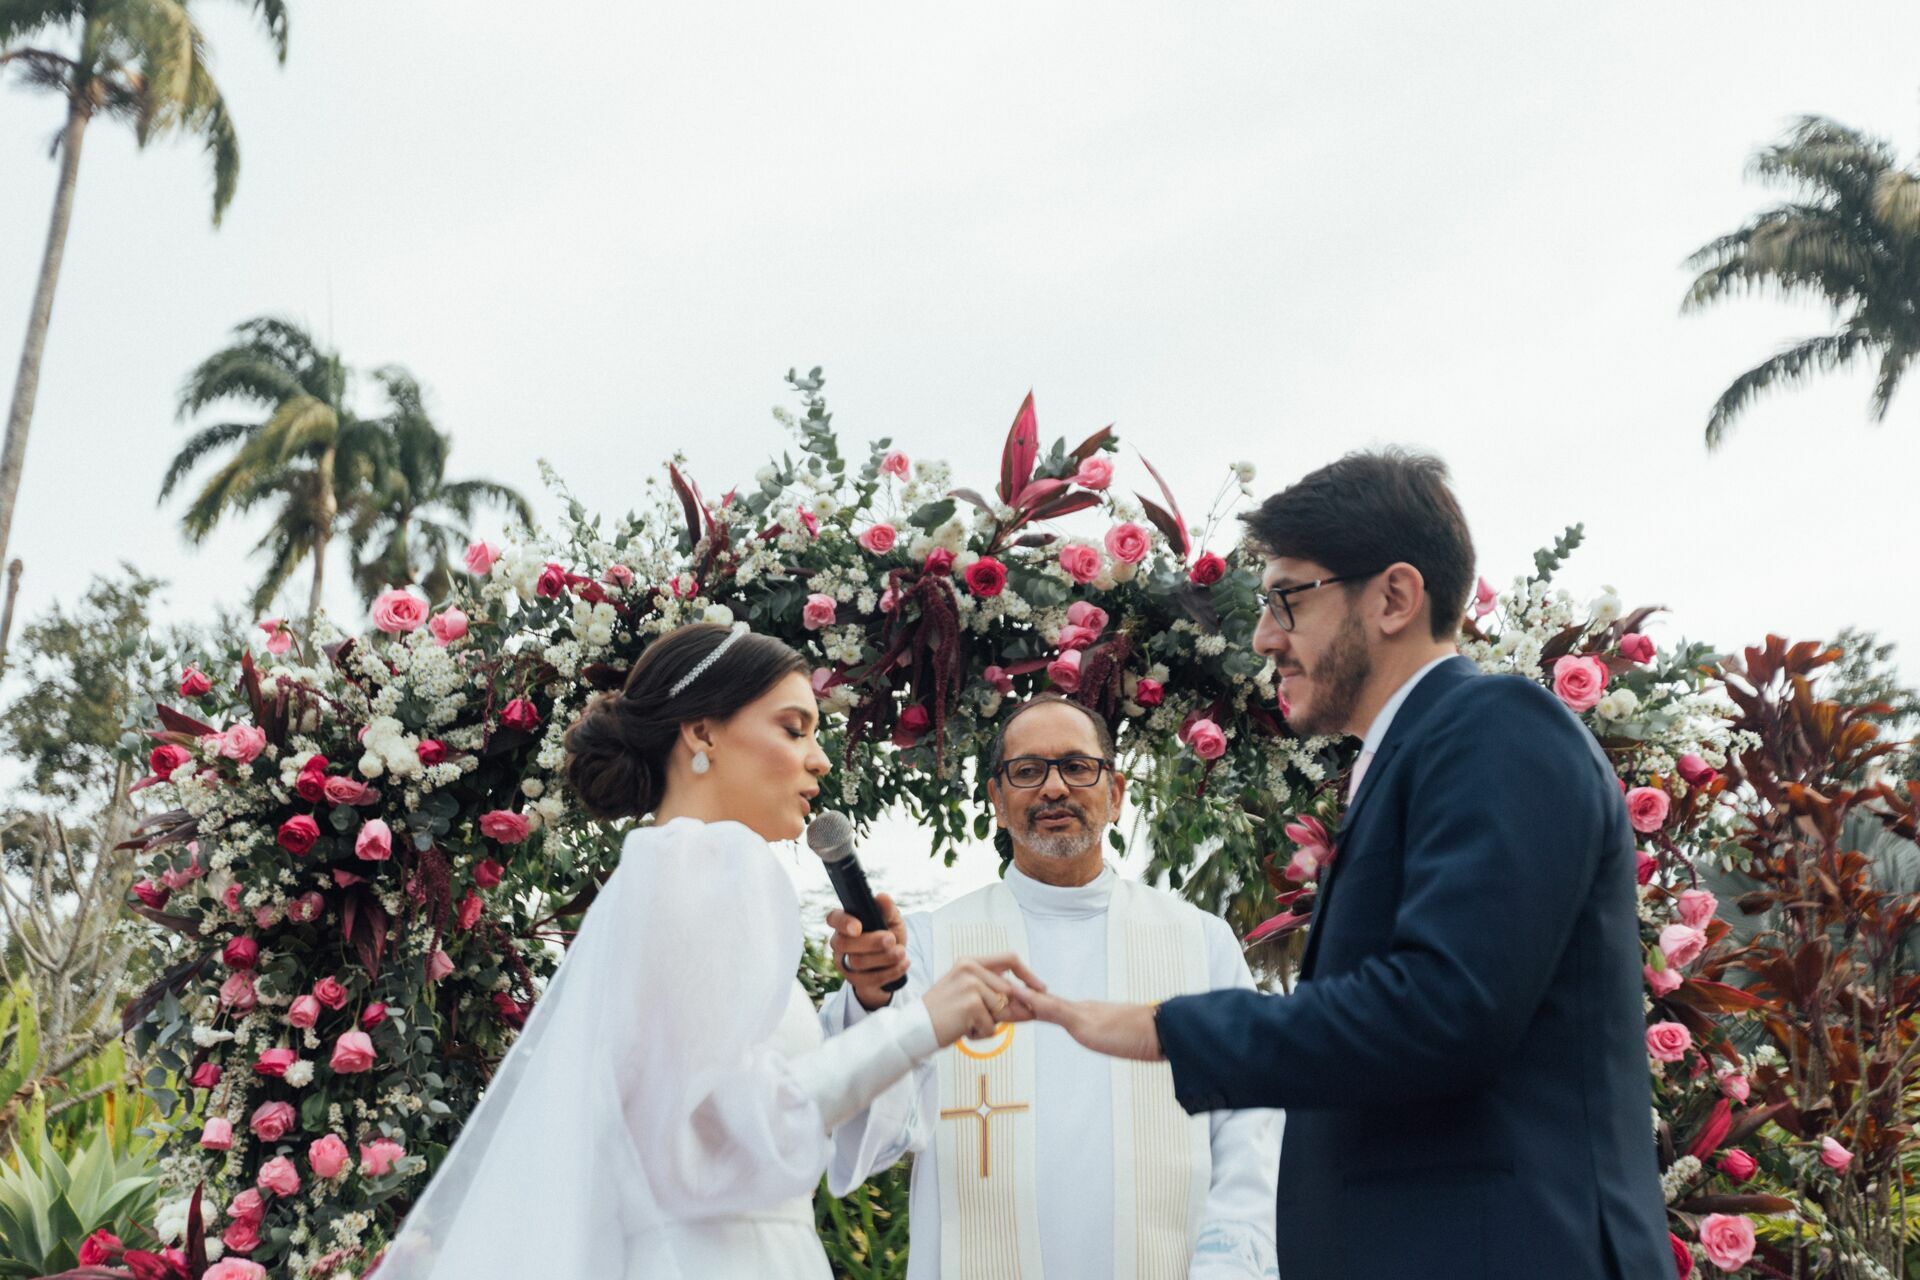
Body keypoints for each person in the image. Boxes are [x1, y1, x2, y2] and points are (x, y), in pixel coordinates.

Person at [1018, 451, 1671, 1278]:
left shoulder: (1498, 728)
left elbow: (1443, 1008)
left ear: (1394, 596)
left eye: (1287, 600)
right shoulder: (1411, 756)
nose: (1263, 637)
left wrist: (1162, 1026)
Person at [375, 621, 1042, 1280]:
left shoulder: (655, 873)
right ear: (701, 732)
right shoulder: (721, 863)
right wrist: (921, 1022)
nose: (820, 759)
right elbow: (723, 1128)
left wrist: (874, 1005)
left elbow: (757, 1115)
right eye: (793, 728)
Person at [824, 694, 1280, 1279]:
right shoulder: (931, 944)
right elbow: (871, 1125)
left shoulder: (1201, 942)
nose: (1054, 788)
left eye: (1076, 766)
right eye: (1028, 771)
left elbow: (1250, 1129)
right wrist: (872, 998)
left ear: (1114, 794)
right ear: (997, 800)